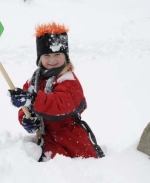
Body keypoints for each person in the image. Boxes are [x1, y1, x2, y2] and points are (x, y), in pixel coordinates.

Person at [8, 22, 104, 162]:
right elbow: (25, 107)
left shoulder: (69, 80)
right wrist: (26, 118)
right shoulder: (33, 81)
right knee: (51, 169)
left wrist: (33, 99)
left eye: (57, 54)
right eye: (46, 55)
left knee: (84, 167)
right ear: (40, 58)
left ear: (65, 56)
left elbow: (60, 103)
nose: (52, 60)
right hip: (46, 137)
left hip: (70, 136)